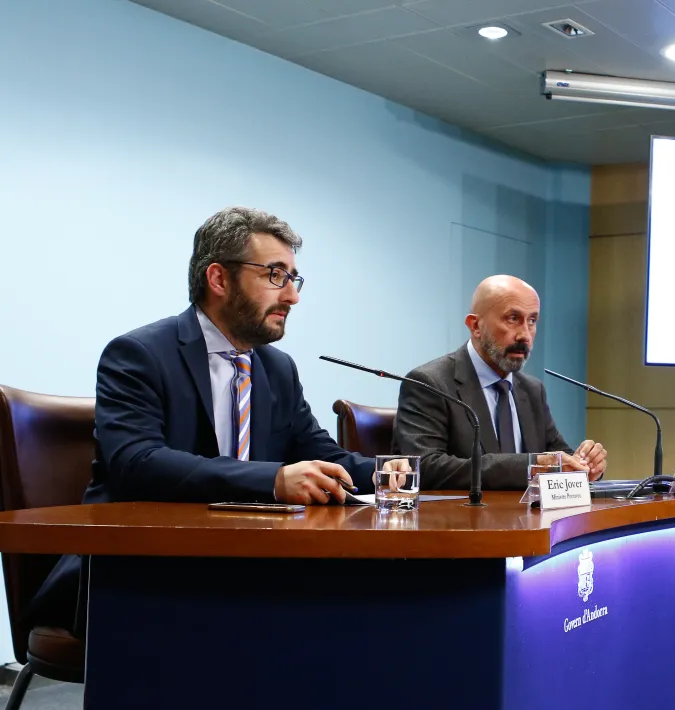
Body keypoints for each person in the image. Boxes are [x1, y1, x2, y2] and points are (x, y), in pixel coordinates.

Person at [27, 206, 399, 633]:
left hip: (248, 568)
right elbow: (137, 463)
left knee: (356, 613)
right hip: (137, 574)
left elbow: (323, 456)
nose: (292, 296)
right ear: (219, 279)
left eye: (293, 279)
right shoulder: (139, 354)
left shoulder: (277, 368)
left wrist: (395, 473)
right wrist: (275, 480)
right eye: (275, 275)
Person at [393, 275, 608, 490]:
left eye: (532, 321)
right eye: (512, 318)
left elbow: (555, 455)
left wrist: (583, 464)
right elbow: (424, 468)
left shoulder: (532, 390)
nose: (525, 335)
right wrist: (530, 466)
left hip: (528, 512)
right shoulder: (429, 383)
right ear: (475, 325)